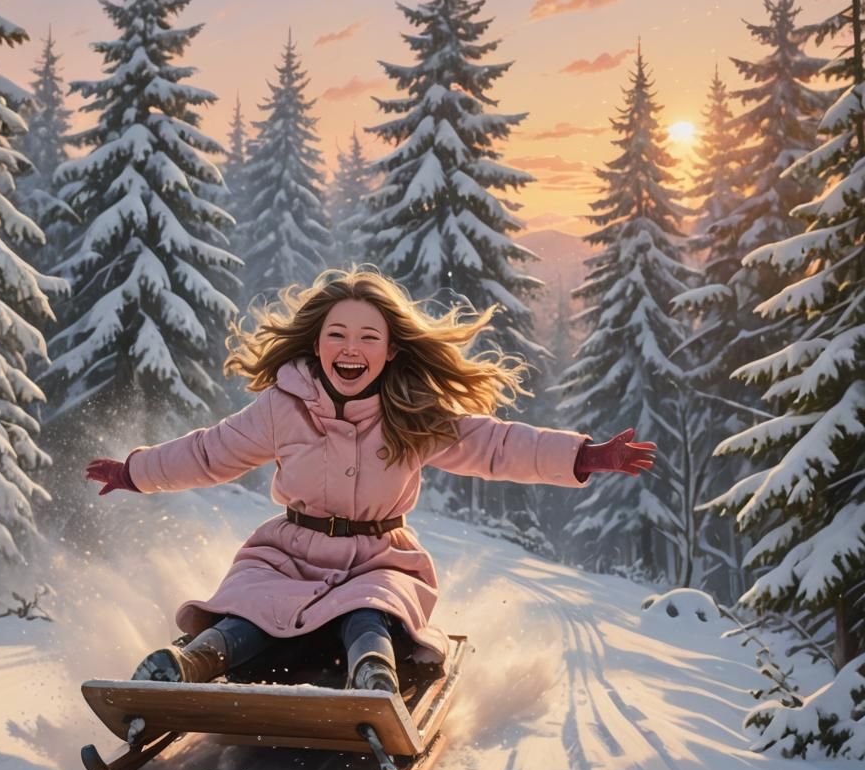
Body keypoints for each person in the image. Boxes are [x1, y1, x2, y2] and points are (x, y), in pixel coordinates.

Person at [85, 269, 656, 693]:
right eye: (337, 335)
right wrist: (137, 471)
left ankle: (374, 674)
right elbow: (211, 451)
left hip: (379, 556)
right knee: (254, 605)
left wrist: (582, 456)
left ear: (389, 351)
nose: (350, 349)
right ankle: (190, 664)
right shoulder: (282, 408)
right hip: (289, 551)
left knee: (370, 608)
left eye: (367, 338)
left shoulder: (412, 412)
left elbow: (495, 445)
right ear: (316, 344)